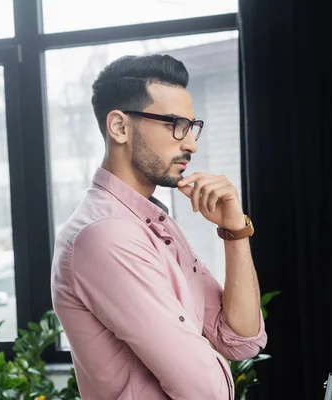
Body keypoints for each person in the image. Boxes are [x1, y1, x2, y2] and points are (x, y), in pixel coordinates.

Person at [51, 54, 267, 400]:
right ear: (119, 127)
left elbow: (241, 339)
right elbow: (205, 390)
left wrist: (234, 230)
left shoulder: (151, 223)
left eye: (192, 126)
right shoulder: (105, 235)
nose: (191, 144)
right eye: (174, 124)